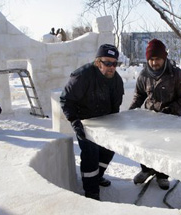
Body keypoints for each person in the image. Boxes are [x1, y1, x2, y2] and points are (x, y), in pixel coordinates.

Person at [60, 44, 124, 200]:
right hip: (85, 123)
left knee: (108, 151)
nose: (111, 67)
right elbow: (66, 99)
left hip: (106, 123)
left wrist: (115, 124)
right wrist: (75, 121)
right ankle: (91, 191)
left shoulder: (117, 81)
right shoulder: (82, 76)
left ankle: (98, 176)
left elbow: (115, 106)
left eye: (114, 63)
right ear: (98, 62)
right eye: (107, 63)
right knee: (91, 155)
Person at [129, 39, 181, 190]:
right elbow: (139, 95)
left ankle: (162, 175)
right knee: (145, 145)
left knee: (166, 148)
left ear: (164, 58)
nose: (154, 62)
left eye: (157, 59)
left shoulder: (176, 74)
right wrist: (130, 112)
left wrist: (171, 109)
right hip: (150, 118)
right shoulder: (144, 75)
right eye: (151, 59)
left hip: (171, 118)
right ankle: (146, 170)